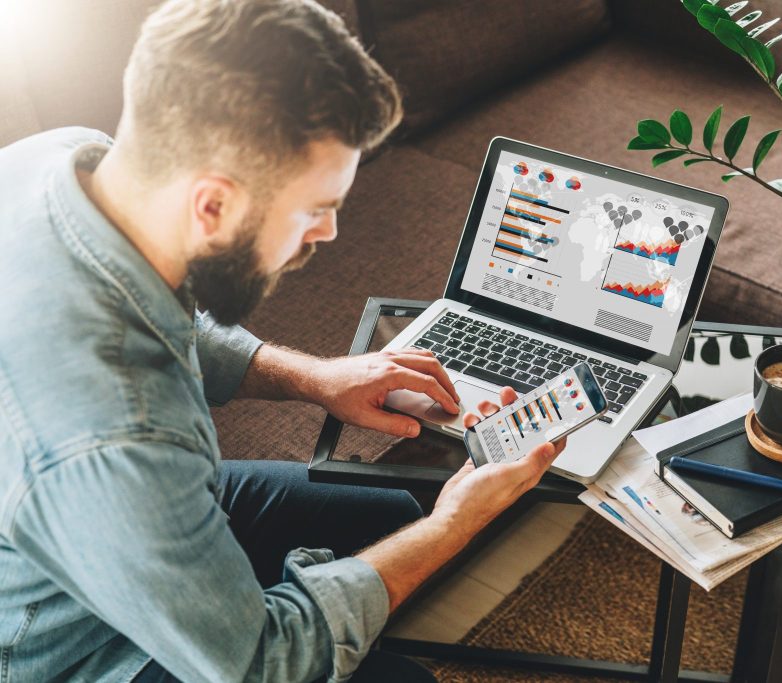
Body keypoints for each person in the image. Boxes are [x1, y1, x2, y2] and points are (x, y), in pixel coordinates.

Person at [0, 1, 566, 681]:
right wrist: (453, 524)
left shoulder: (58, 161)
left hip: (111, 517)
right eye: (317, 208)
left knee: (386, 516)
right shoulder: (119, 436)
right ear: (212, 205)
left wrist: (315, 377)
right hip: (71, 644)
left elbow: (158, 320)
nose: (326, 234)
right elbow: (260, 662)